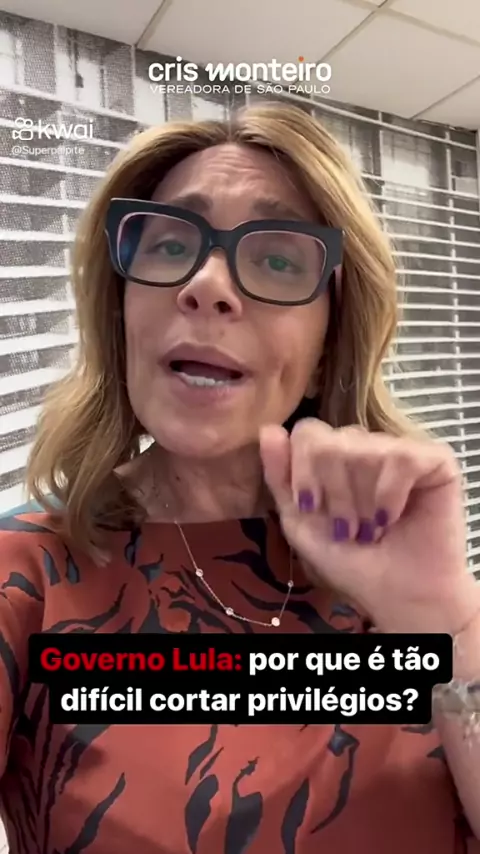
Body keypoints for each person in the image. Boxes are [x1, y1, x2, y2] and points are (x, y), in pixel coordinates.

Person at [0, 102, 479, 854]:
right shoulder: (27, 574)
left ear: (325, 348)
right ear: (122, 316)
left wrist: (451, 624)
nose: (207, 284)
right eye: (169, 245)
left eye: (278, 260)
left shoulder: (394, 559)